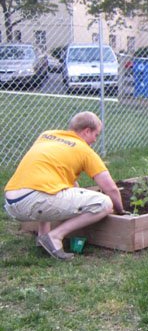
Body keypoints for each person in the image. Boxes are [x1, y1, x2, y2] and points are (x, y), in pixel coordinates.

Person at [3, 111, 125, 260]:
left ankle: (43, 236)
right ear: (87, 131)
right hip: (35, 201)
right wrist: (120, 211)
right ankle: (55, 236)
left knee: (51, 186)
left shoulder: (47, 135)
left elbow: (59, 175)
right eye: (96, 135)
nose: (94, 140)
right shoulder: (85, 150)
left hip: (12, 202)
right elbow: (110, 188)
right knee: (105, 203)